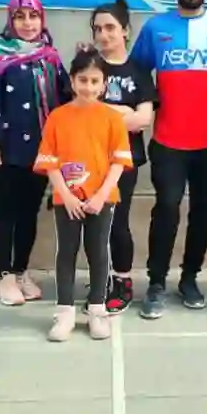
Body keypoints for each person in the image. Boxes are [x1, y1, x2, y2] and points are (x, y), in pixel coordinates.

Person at [129, 0, 207, 319]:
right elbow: (133, 73)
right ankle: (156, 283)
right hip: (168, 142)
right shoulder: (155, 28)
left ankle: (189, 278)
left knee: (203, 213)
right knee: (166, 210)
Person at [0, 0, 71, 307]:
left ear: (42, 19)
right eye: (20, 17)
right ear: (11, 20)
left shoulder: (50, 56)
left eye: (33, 16)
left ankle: (20, 272)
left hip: (41, 150)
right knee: (6, 212)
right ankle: (3, 276)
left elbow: (66, 98)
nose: (27, 23)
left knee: (29, 214)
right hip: (6, 148)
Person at [34, 48, 133, 342]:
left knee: (98, 252)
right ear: (72, 81)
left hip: (102, 199)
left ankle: (97, 310)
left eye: (94, 81)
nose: (88, 87)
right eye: (83, 80)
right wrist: (65, 195)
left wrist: (101, 195)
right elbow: (49, 161)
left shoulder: (112, 118)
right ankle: (64, 312)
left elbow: (119, 161)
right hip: (67, 200)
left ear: (104, 84)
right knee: (66, 252)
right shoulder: (57, 117)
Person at [89, 0, 156, 315]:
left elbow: (143, 119)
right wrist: (122, 111)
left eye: (110, 27)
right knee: (94, 223)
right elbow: (81, 110)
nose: (103, 34)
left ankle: (122, 281)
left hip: (125, 159)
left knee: (117, 222)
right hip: (89, 157)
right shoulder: (89, 67)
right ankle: (99, 280)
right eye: (97, 29)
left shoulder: (138, 71)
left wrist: (106, 111)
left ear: (125, 31)